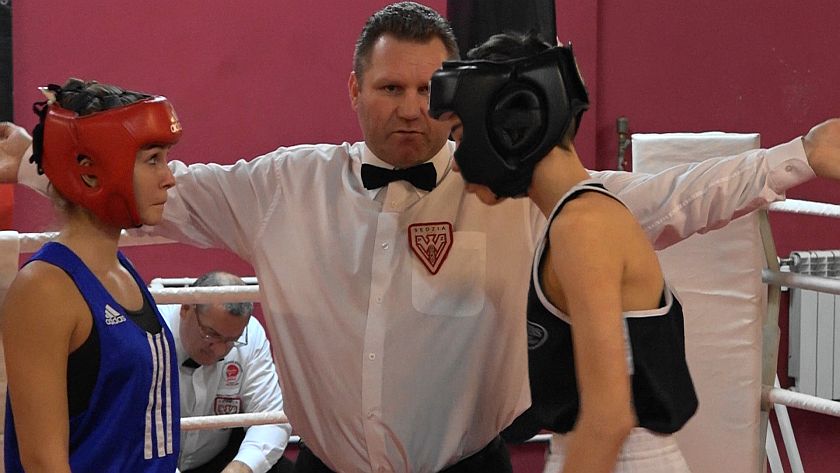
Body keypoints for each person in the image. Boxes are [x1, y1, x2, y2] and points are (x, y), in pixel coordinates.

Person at [2, 2, 840, 471]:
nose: (410, 108)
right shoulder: (281, 185)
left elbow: (665, 199)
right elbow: (148, 193)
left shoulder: (509, 186)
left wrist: (798, 155)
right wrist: (40, 162)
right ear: (353, 89)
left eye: (426, 88)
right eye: (388, 88)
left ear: (455, 92)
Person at [431, 31, 696, 473]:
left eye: (459, 135)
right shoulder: (574, 218)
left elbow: (608, 418)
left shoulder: (582, 226)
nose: (456, 162)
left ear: (509, 128)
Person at [0, 78, 181, 472]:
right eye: (153, 159)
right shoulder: (45, 289)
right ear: (91, 173)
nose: (169, 177)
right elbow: (44, 464)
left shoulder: (121, 271)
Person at [161, 271, 293, 473]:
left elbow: (271, 419)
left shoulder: (251, 335)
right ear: (186, 308)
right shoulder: (148, 334)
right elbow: (128, 428)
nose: (220, 350)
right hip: (150, 461)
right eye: (211, 334)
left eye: (232, 340)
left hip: (219, 460)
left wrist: (241, 468)